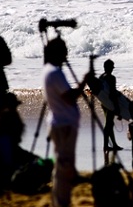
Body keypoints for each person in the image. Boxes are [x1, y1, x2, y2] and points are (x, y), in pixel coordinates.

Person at [42, 36, 90, 207]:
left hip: (61, 124)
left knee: (62, 166)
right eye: (64, 51)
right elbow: (70, 98)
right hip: (64, 126)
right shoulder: (55, 72)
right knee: (64, 166)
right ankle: (62, 203)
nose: (66, 54)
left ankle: (59, 201)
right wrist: (84, 81)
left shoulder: (49, 70)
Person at [99, 59, 123, 151]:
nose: (112, 69)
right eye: (111, 67)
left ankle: (113, 144)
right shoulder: (111, 78)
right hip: (110, 103)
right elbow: (112, 93)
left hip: (104, 103)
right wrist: (117, 107)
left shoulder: (101, 77)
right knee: (109, 124)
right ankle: (106, 146)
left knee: (110, 123)